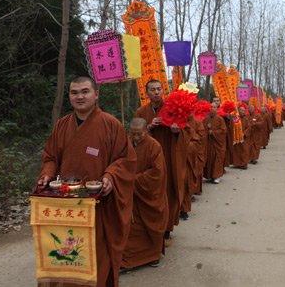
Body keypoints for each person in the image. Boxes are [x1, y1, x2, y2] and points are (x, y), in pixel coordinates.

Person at [36, 76, 137, 287]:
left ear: (96, 94)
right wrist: (47, 172)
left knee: (94, 253)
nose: (79, 96)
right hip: (66, 203)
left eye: (84, 91)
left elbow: (126, 159)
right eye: (74, 93)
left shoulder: (111, 124)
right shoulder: (62, 125)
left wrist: (110, 176)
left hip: (97, 204)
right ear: (69, 96)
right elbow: (51, 156)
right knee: (65, 250)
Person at [134, 79, 191, 246]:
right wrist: (149, 127)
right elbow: (134, 135)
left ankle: (166, 229)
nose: (156, 92)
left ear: (163, 90)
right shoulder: (141, 111)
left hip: (169, 157)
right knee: (150, 192)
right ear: (147, 93)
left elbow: (187, 132)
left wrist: (176, 131)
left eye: (159, 89)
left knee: (168, 191)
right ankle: (148, 228)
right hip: (148, 161)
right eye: (152, 89)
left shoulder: (173, 108)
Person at [121, 118, 168, 272]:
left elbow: (157, 173)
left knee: (151, 226)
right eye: (132, 134)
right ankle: (131, 258)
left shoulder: (154, 146)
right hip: (130, 195)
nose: (135, 138)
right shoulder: (125, 144)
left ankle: (152, 256)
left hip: (148, 194)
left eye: (139, 134)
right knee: (132, 228)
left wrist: (134, 180)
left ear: (146, 131)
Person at [203, 103, 227, 183]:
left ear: (217, 109)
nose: (212, 108)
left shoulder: (220, 119)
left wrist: (213, 132)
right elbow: (202, 130)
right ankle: (209, 175)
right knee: (210, 159)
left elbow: (223, 131)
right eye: (211, 107)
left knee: (217, 159)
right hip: (209, 144)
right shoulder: (206, 119)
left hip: (217, 144)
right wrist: (207, 131)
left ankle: (216, 176)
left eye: (214, 107)